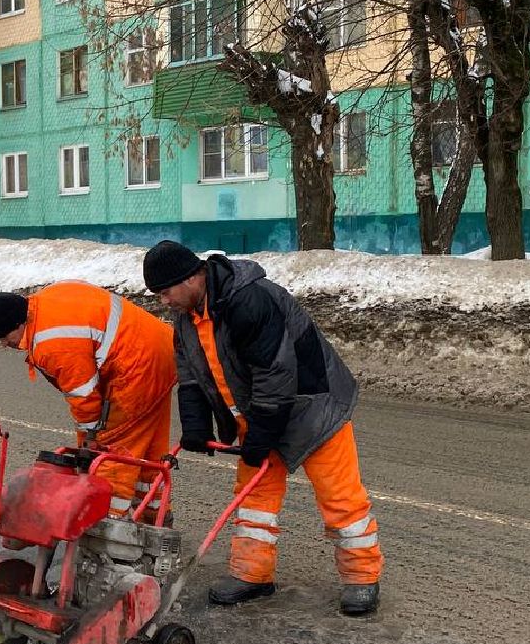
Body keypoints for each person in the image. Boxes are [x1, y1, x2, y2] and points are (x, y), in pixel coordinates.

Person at [142, 241, 383, 616]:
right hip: (260, 416)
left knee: (340, 497)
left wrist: (261, 434)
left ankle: (363, 577)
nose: (163, 301)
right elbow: (190, 374)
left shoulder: (249, 300)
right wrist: (194, 425)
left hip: (313, 408)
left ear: (192, 277)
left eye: (165, 291)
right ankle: (252, 574)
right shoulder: (188, 318)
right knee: (254, 499)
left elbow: (274, 371)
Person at [0, 282, 176, 517]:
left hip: (137, 367)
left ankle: (111, 524)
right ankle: (156, 517)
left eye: (4, 336)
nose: (4, 344)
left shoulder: (51, 342)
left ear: (18, 323)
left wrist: (90, 442)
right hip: (159, 351)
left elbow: (84, 398)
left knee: (113, 450)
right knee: (148, 446)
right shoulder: (44, 304)